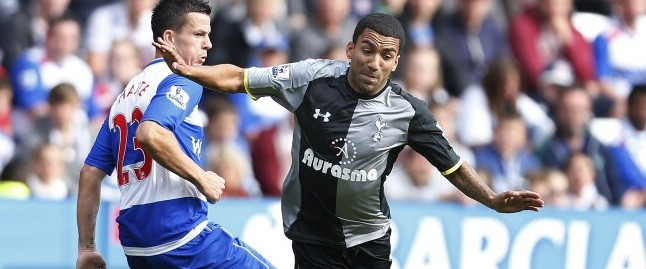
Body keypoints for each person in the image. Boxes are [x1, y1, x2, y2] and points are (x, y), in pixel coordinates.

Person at [154, 12, 544, 268]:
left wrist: (491, 199)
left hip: (369, 238)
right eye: (368, 50)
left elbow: (452, 166)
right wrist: (187, 70)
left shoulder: (409, 111)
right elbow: (237, 78)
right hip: (311, 232)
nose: (374, 62)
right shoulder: (310, 78)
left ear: (395, 62)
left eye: (386, 55)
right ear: (351, 49)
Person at [76, 1, 274, 268]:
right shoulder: (182, 79)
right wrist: (201, 177)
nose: (208, 44)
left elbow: (90, 173)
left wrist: (87, 248)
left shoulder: (123, 98)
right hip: (180, 235)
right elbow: (151, 132)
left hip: (137, 247)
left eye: (209, 34)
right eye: (199, 34)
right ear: (169, 37)